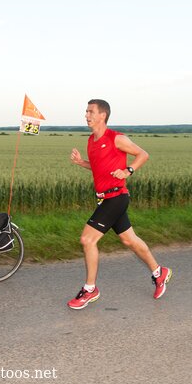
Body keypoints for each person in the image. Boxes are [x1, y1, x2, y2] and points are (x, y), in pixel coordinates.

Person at [67, 99, 172, 309]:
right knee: (129, 240)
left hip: (116, 197)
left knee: (87, 240)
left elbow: (143, 154)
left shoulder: (116, 138)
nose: (86, 115)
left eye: (90, 112)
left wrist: (128, 171)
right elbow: (98, 167)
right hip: (105, 198)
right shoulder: (91, 140)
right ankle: (159, 272)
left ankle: (90, 289)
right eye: (86, 111)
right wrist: (81, 163)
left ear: (102, 115)